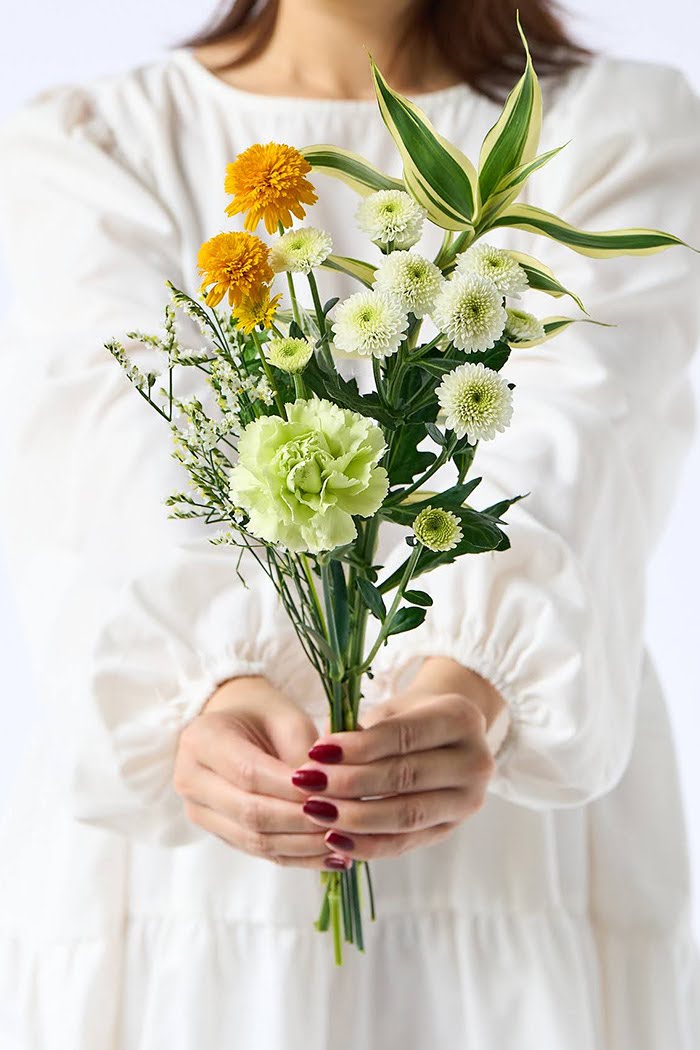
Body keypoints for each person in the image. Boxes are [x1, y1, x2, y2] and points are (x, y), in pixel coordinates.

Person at [0, 1, 699, 1047]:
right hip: (187, 877)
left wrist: (471, 682)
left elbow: (581, 444)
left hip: (506, 849)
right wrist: (211, 684)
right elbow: (118, 458)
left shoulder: (613, 129)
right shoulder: (88, 144)